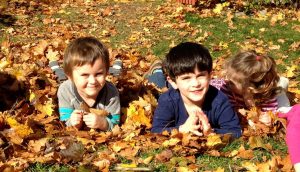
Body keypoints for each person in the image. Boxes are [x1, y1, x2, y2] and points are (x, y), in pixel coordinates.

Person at [210, 50, 299, 171]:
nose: (226, 80)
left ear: (250, 88)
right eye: (227, 76)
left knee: (280, 93)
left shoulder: (266, 96)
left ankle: (282, 83)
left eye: (231, 81)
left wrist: (267, 118)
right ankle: (281, 82)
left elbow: (270, 112)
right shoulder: (224, 87)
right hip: (254, 91)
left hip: (270, 92)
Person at [149, 42, 242, 138]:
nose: (196, 84)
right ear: (174, 82)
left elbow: (235, 131)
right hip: (169, 88)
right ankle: (157, 70)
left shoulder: (220, 100)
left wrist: (212, 133)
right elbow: (156, 130)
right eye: (186, 78)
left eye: (201, 76)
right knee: (158, 84)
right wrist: (181, 129)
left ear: (210, 76)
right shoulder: (167, 100)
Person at [57, 37, 120, 131]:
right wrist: (73, 123)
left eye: (98, 74)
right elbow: (65, 120)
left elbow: (115, 123)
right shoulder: (65, 90)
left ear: (106, 72)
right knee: (59, 74)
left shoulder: (111, 93)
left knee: (117, 74)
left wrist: (103, 123)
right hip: (66, 79)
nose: (92, 81)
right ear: (70, 77)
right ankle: (55, 66)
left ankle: (117, 67)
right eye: (85, 75)